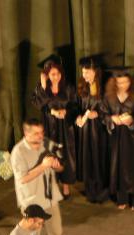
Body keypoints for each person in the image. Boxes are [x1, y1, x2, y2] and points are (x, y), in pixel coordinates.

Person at [10, 118, 79, 235]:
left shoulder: (46, 144)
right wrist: (43, 166)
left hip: (50, 198)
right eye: (36, 133)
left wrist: (56, 164)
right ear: (26, 133)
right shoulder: (18, 152)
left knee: (56, 234)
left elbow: (61, 166)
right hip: (32, 203)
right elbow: (22, 179)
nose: (40, 136)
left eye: (41, 132)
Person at [31, 55, 78, 198]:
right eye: (52, 74)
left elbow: (75, 106)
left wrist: (66, 111)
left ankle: (66, 186)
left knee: (66, 156)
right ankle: (51, 185)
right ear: (47, 75)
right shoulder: (42, 88)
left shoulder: (68, 87)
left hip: (65, 127)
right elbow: (39, 105)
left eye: (57, 74)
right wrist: (44, 88)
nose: (55, 77)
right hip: (49, 126)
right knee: (49, 154)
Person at [103, 67, 134, 210]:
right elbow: (104, 115)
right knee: (118, 166)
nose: (123, 85)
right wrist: (112, 118)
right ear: (114, 82)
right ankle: (122, 199)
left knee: (133, 168)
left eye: (126, 82)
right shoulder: (109, 97)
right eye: (119, 82)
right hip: (116, 138)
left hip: (132, 138)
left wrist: (132, 119)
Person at [75, 55, 109, 203]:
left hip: (99, 131)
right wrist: (77, 116)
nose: (84, 75)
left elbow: (109, 109)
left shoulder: (104, 88)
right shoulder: (83, 86)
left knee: (99, 157)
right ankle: (90, 190)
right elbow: (76, 106)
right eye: (83, 72)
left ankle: (101, 190)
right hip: (85, 130)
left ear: (96, 71)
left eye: (87, 72)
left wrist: (98, 114)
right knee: (87, 158)